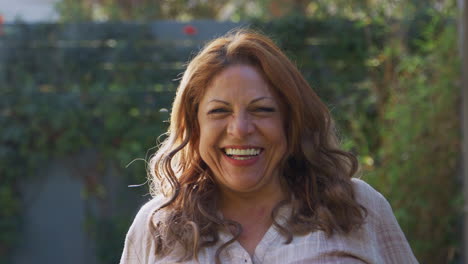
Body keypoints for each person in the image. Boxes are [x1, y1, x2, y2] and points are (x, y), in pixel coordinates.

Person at [120, 29, 418, 264]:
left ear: (293, 121)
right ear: (194, 127)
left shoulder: (358, 208)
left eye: (262, 110)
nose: (240, 130)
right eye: (219, 111)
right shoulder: (156, 226)